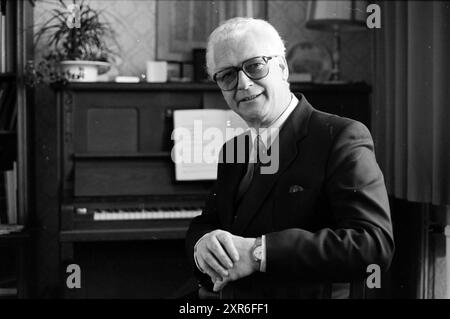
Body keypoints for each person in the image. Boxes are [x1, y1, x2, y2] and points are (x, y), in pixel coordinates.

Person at [185, 17, 394, 299]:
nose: (243, 84)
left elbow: (373, 244)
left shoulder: (340, 136)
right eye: (227, 76)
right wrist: (201, 246)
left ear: (282, 68)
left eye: (255, 66)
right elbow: (209, 222)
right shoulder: (233, 149)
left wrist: (260, 253)